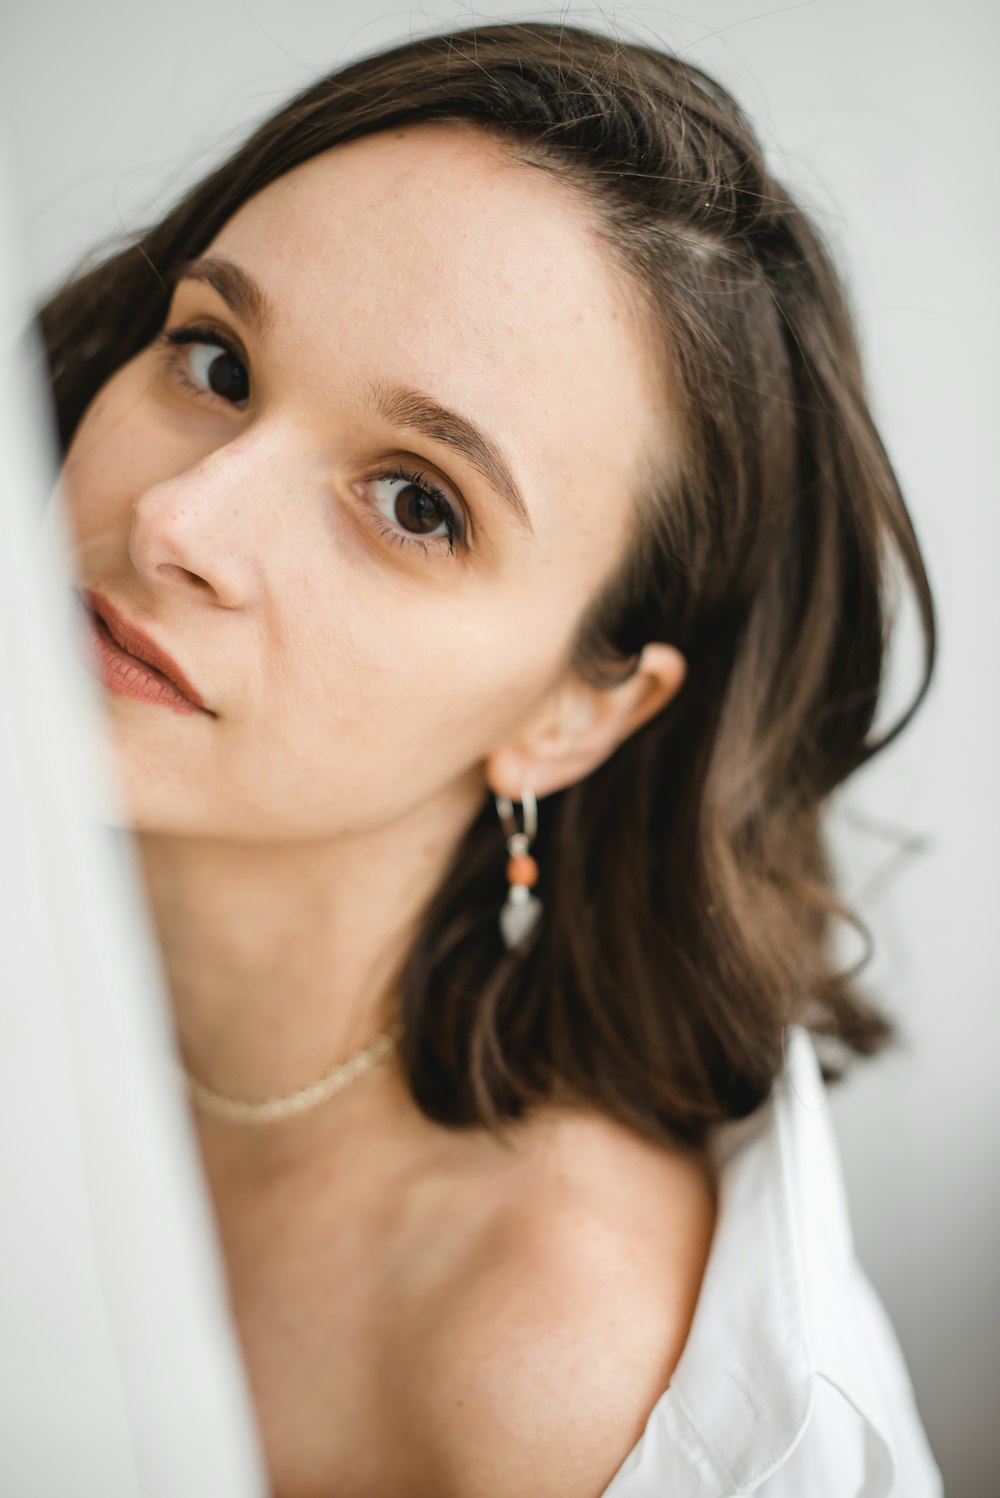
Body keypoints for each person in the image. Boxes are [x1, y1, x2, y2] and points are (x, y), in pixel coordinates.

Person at [39, 19, 943, 1497]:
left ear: (578, 712)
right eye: (213, 356)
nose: (177, 524)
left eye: (416, 504)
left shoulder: (563, 1385)